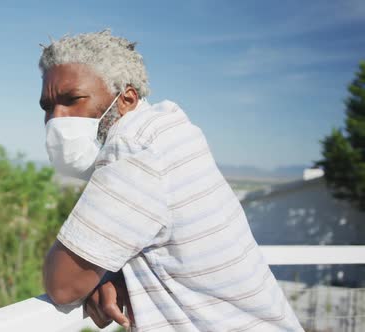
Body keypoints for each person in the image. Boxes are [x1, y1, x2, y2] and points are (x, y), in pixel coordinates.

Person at [40, 30, 304, 332]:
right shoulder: (167, 132)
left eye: (73, 99)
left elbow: (62, 285)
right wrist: (116, 274)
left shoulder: (135, 149)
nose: (56, 118)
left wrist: (99, 275)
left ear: (126, 99)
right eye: (47, 106)